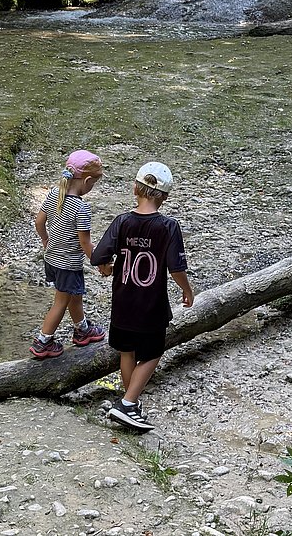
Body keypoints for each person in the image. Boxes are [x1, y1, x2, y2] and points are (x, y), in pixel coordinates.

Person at [91, 161, 194, 432]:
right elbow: (176, 267)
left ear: (134, 188)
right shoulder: (168, 227)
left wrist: (108, 266)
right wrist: (186, 289)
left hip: (123, 302)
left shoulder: (122, 221)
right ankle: (127, 403)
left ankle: (131, 405)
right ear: (166, 197)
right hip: (151, 305)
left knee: (128, 350)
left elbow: (98, 257)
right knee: (153, 353)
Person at [29, 149, 107, 359]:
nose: (92, 187)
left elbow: (39, 222)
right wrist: (100, 263)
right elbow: (85, 243)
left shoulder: (55, 194)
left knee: (75, 296)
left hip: (52, 260)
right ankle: (43, 341)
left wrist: (46, 241)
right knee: (61, 301)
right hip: (68, 265)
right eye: (94, 183)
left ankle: (82, 329)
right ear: (87, 180)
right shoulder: (81, 208)